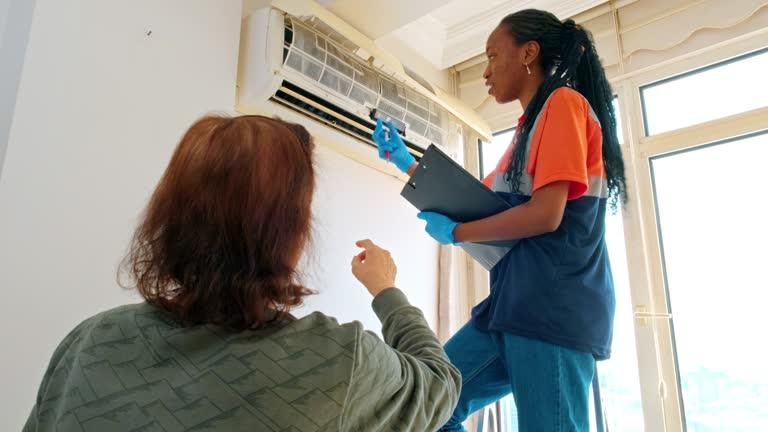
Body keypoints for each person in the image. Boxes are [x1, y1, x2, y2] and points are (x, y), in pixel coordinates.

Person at [24, 115, 461, 432]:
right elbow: (440, 385)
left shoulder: (89, 341)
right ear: (290, 230)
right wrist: (385, 289)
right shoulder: (339, 361)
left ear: (170, 212)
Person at [374, 9, 627, 432]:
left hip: (553, 310)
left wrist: (456, 233)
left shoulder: (563, 104)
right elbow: (473, 203)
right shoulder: (526, 132)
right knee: (427, 408)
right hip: (510, 307)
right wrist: (406, 162)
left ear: (529, 53)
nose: (486, 72)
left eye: (493, 56)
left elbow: (545, 215)